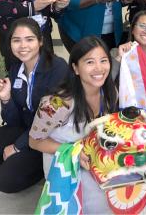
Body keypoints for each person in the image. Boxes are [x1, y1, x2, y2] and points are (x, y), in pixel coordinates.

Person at [29, 36, 119, 213]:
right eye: (90, 62)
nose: (99, 68)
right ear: (75, 68)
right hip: (63, 163)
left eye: (103, 60)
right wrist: (75, 152)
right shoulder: (57, 103)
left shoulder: (110, 93)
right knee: (97, 202)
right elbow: (34, 141)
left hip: (93, 154)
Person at [0, 18, 68, 193]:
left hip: (47, 136)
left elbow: (49, 121)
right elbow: (14, 120)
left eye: (29, 39)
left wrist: (17, 146)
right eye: (17, 40)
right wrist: (6, 98)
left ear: (40, 41)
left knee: (4, 181)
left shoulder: (57, 68)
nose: (23, 46)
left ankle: (35, 165)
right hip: (25, 128)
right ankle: (19, 160)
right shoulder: (16, 69)